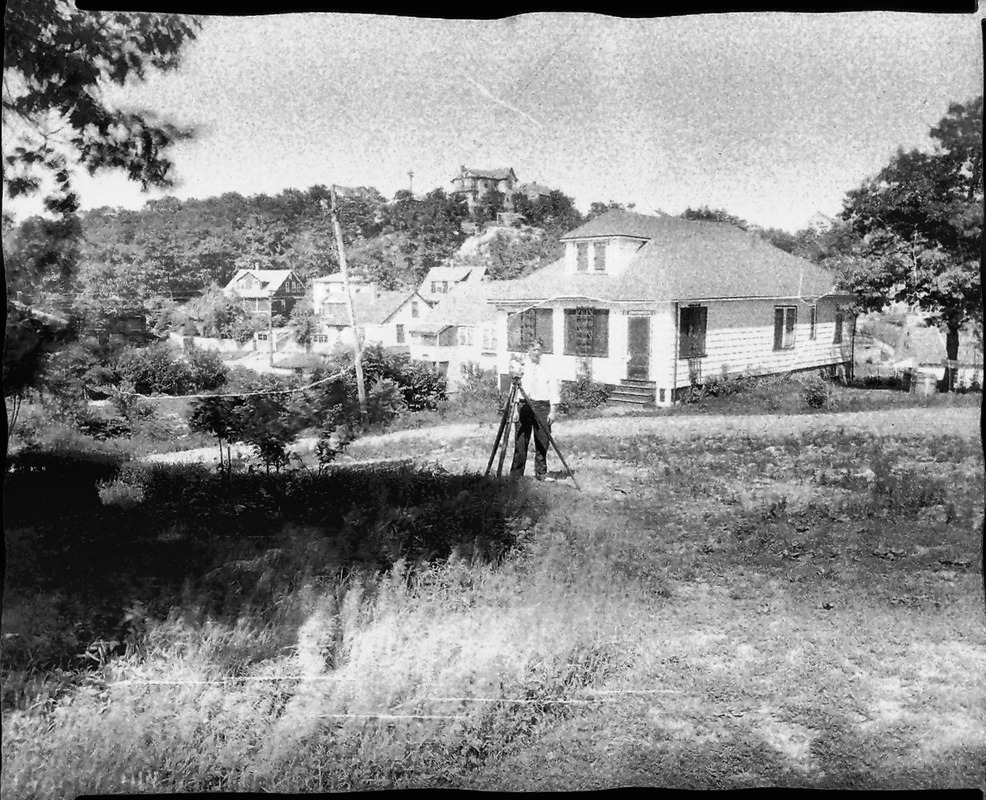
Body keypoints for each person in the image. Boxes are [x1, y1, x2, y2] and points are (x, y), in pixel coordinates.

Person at [509, 338, 561, 481]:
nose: (536, 353)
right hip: (523, 405)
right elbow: (513, 390)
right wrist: (514, 411)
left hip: (542, 406)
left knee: (543, 440)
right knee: (521, 441)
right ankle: (516, 475)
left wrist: (553, 410)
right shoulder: (521, 366)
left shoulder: (548, 367)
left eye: (539, 350)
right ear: (528, 351)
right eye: (533, 350)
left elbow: (554, 390)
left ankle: (541, 473)